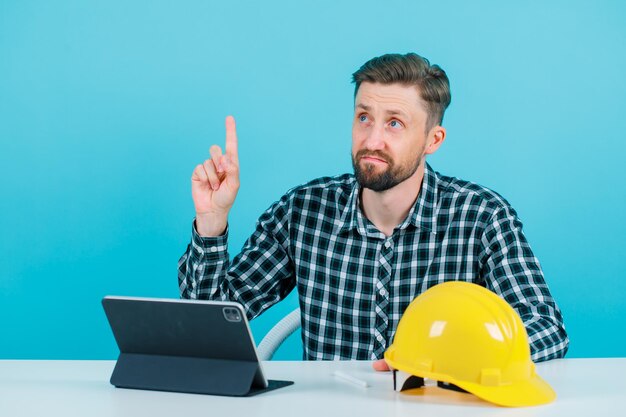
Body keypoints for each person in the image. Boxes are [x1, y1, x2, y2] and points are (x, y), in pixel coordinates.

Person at [178, 53, 569, 369]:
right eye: (364, 117)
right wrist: (212, 223)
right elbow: (208, 326)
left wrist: (450, 362)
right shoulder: (303, 212)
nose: (372, 139)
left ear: (433, 140)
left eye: (395, 123)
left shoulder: (482, 217)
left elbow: (546, 329)